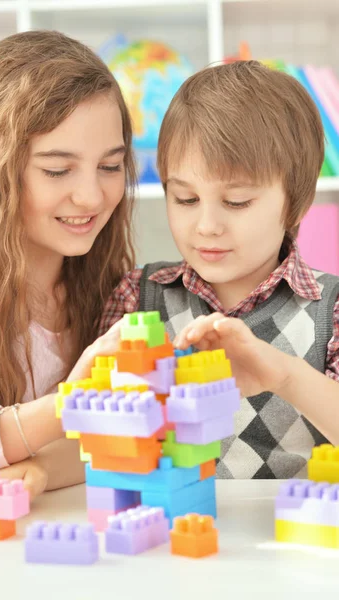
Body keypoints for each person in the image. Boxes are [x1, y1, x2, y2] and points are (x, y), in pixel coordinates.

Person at [100, 60, 339, 479]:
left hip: (296, 537)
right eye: (186, 199)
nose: (206, 226)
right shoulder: (136, 298)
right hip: (169, 535)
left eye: (237, 202)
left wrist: (284, 375)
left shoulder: (330, 311)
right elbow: (94, 433)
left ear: (297, 204)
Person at [0, 30, 136, 498]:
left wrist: (43, 469)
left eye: (110, 166)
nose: (91, 196)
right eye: (56, 169)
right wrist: (63, 408)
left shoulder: (110, 285)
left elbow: (115, 441)